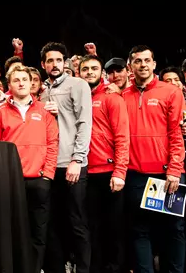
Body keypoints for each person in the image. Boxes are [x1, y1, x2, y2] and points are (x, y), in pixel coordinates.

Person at [0, 65, 59, 273]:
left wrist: (47, 176)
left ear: (31, 84)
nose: (21, 83)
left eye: (24, 80)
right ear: (9, 85)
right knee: (11, 231)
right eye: (16, 80)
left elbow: (53, 144)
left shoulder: (44, 112)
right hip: (10, 182)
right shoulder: (0, 113)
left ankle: (34, 269)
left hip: (39, 181)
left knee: (38, 232)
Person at [122, 45, 185, 273]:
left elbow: (175, 134)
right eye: (138, 61)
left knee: (174, 229)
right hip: (136, 175)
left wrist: (175, 170)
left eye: (147, 60)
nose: (143, 65)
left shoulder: (171, 92)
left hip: (167, 173)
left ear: (154, 64)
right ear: (131, 66)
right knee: (140, 230)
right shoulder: (121, 96)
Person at [40, 42, 93, 273]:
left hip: (72, 165)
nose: (54, 64)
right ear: (43, 65)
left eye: (59, 60)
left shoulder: (78, 85)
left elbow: (84, 123)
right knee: (54, 223)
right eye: (50, 61)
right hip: (51, 167)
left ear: (66, 62)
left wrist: (77, 160)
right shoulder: (42, 93)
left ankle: (82, 270)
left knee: (77, 223)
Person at [79, 54, 130, 273]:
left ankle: (115, 269)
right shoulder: (77, 96)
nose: (89, 72)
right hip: (85, 172)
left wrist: (119, 172)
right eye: (85, 69)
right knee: (92, 227)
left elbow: (122, 136)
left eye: (94, 68)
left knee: (114, 228)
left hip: (109, 172)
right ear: (78, 73)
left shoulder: (112, 97)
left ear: (101, 73)